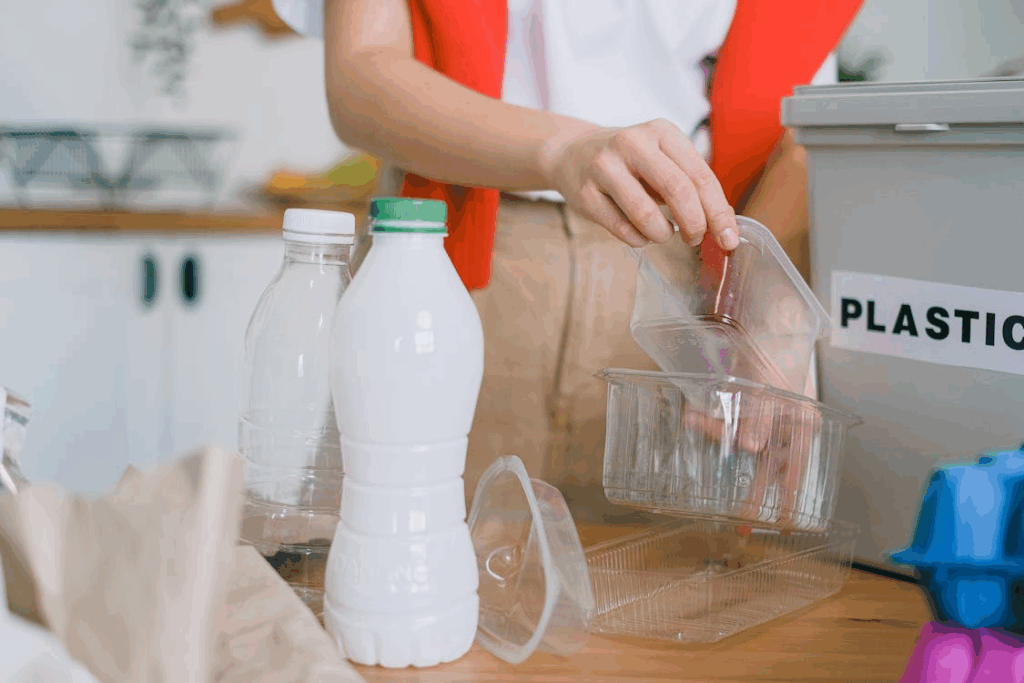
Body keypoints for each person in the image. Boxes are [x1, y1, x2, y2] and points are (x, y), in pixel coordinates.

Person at [271, 0, 864, 519]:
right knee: (390, 572)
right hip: (459, 267)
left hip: (681, 301)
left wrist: (768, 310)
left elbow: (803, 135)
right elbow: (359, 72)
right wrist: (564, 148)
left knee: (657, 605)